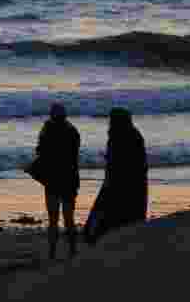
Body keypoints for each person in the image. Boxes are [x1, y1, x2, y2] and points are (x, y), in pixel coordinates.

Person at [85, 107, 148, 245]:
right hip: (129, 184)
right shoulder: (131, 135)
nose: (109, 123)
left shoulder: (120, 136)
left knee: (109, 217)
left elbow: (119, 164)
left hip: (120, 184)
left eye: (112, 120)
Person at [31, 102, 81, 260]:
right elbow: (74, 155)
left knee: (53, 219)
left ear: (52, 115)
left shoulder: (47, 130)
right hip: (69, 179)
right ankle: (72, 251)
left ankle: (52, 253)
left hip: (53, 180)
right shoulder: (73, 131)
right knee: (69, 218)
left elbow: (40, 151)